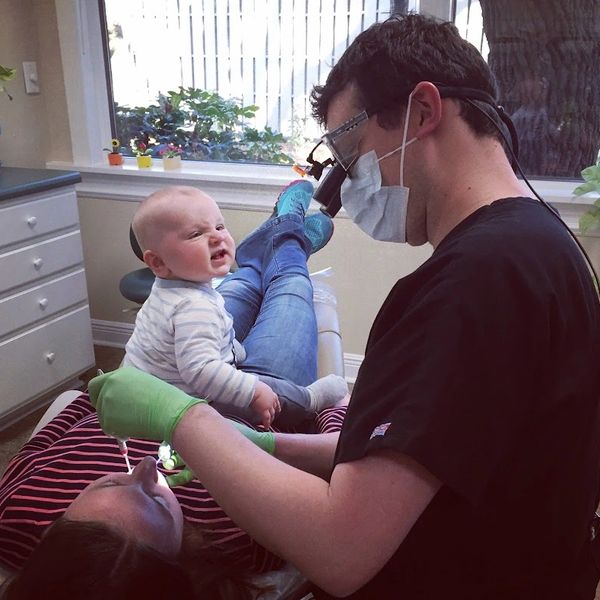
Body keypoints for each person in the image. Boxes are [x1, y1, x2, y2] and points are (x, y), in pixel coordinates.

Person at [88, 13, 600, 600]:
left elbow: (340, 550)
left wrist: (182, 417)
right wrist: (270, 447)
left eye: (351, 154)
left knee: (267, 269)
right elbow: (417, 458)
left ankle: (286, 239)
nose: (348, 184)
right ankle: (287, 239)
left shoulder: (473, 285)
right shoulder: (536, 242)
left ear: (424, 112)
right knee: (271, 267)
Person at [0, 387, 346, 599]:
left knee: (207, 293)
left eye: (110, 482)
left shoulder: (13, 512)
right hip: (252, 400)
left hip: (157, 376)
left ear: (55, 526)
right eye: (155, 501)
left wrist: (97, 396)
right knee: (282, 278)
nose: (146, 465)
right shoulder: (244, 531)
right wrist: (337, 410)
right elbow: (336, 461)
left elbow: (41, 441)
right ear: (183, 563)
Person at [123, 183, 347, 428]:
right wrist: (254, 391)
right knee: (288, 282)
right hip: (195, 407)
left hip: (159, 390)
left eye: (219, 226)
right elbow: (202, 371)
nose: (218, 236)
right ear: (157, 262)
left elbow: (208, 336)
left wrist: (230, 348)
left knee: (249, 278)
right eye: (196, 234)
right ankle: (310, 399)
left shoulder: (172, 289)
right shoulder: (193, 308)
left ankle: (285, 241)